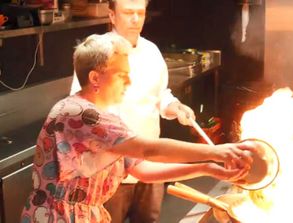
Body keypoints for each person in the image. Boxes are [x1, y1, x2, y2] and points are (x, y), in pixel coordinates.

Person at [21, 33, 253, 223]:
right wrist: (218, 151)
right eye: (122, 75)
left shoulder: (107, 119)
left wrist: (207, 168)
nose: (129, 83)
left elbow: (143, 169)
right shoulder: (78, 112)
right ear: (94, 78)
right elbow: (147, 150)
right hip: (57, 217)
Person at [69, 0, 202, 222]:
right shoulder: (95, 54)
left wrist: (175, 107)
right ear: (112, 15)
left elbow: (161, 95)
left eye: (140, 13)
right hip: (109, 172)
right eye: (128, 12)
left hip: (150, 165)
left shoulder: (151, 51)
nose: (135, 19)